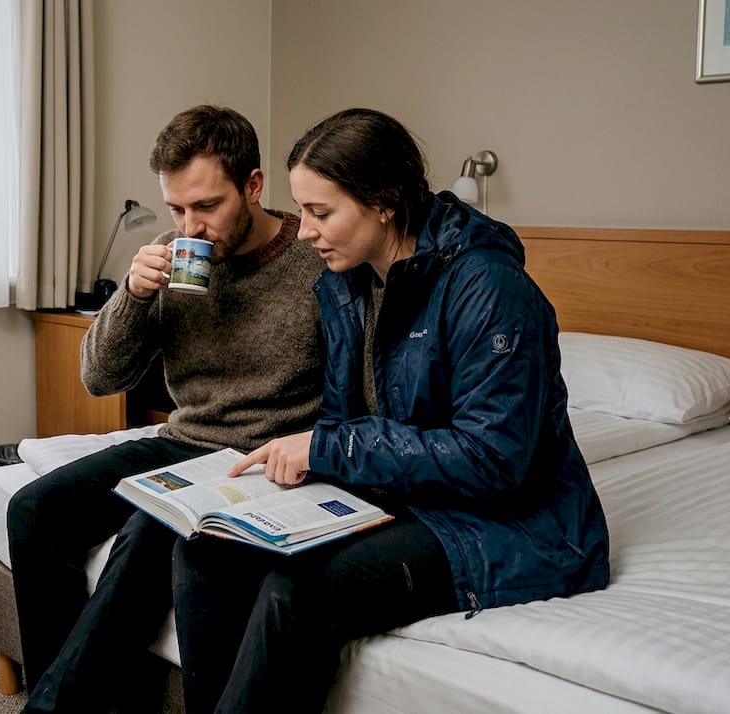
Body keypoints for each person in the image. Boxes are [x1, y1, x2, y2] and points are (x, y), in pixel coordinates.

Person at [170, 108, 611, 713]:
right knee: (206, 550)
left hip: (505, 522)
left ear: (384, 202)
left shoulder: (491, 288)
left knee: (294, 590)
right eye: (303, 212)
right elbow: (353, 417)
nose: (303, 233)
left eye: (321, 214)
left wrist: (328, 449)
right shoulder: (348, 283)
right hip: (401, 493)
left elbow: (494, 460)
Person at [7, 104, 327, 712]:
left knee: (145, 536)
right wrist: (130, 295)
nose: (190, 227)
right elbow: (99, 378)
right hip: (183, 442)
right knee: (34, 510)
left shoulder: (314, 259)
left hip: (257, 459)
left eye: (206, 207)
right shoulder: (169, 251)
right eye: (177, 208)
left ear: (253, 186)